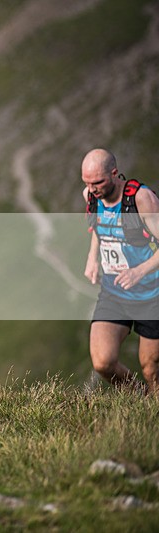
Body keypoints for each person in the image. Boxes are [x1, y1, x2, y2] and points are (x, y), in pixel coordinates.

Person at [82, 148, 159, 393]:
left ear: (114, 174)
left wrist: (140, 271)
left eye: (98, 182)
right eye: (87, 183)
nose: (92, 189)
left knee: (150, 368)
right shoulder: (91, 196)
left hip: (152, 295)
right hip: (115, 292)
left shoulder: (141, 200)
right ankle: (140, 397)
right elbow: (99, 228)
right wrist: (92, 258)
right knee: (103, 362)